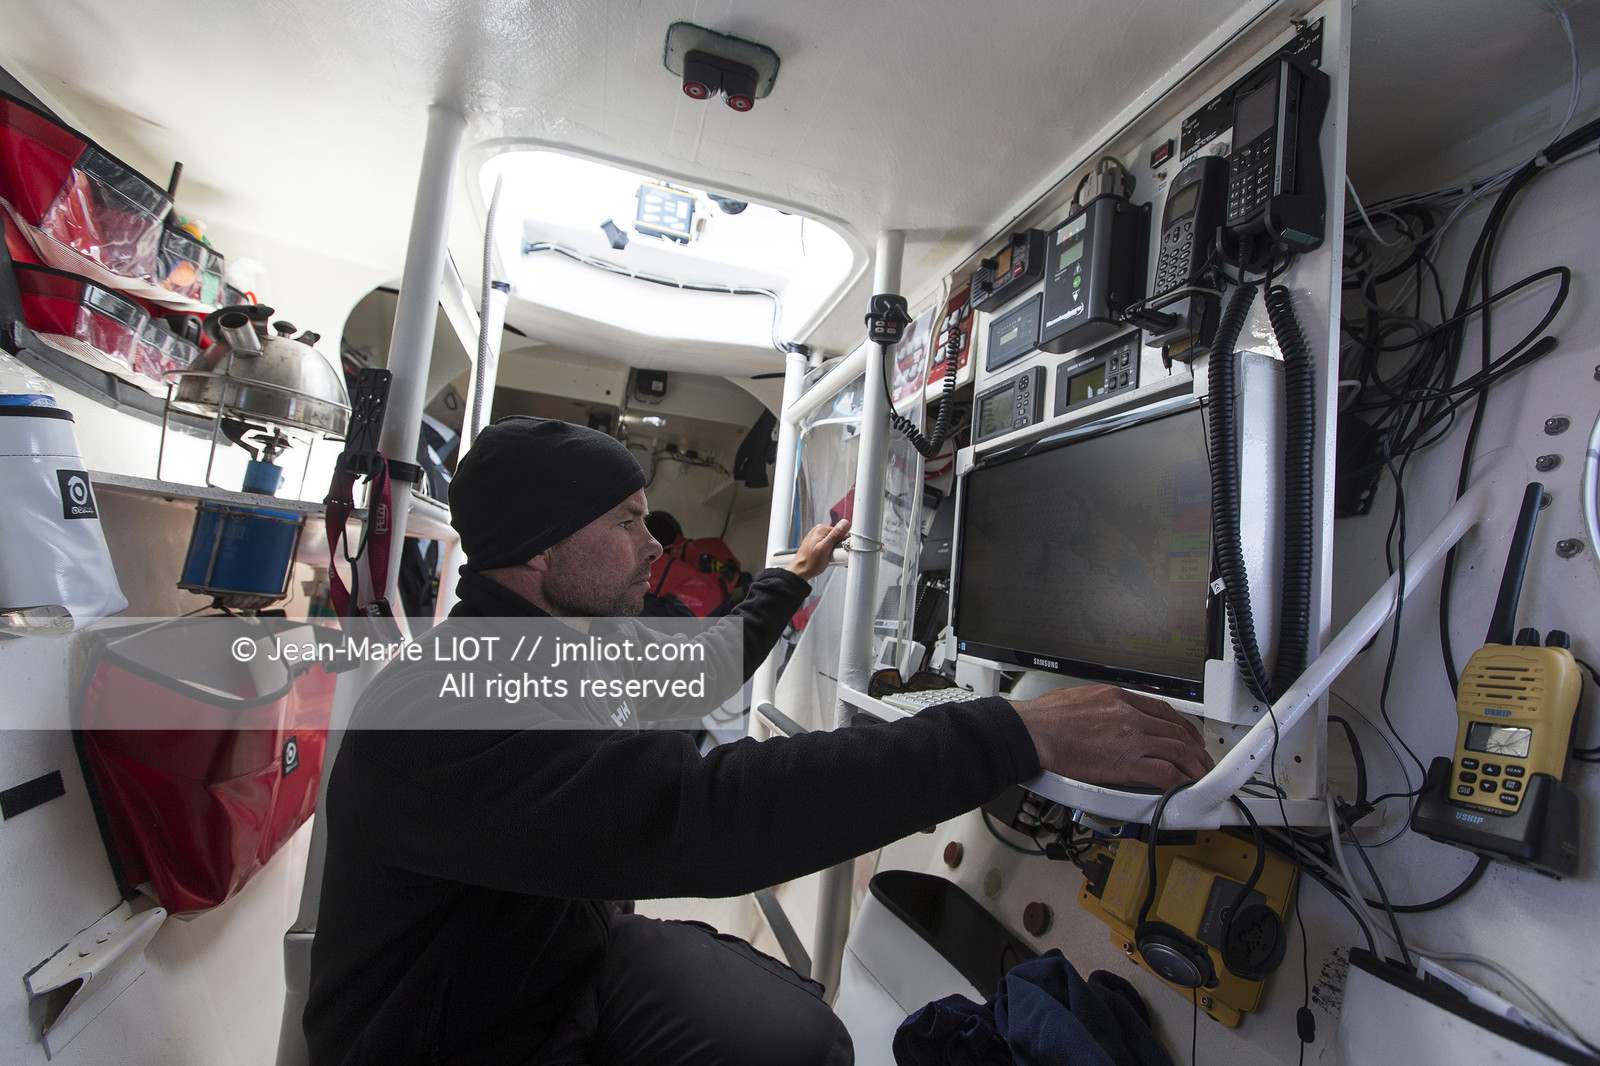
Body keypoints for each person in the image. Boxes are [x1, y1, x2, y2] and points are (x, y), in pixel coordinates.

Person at [304, 416, 1214, 1066]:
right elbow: (707, 814)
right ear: (537, 554)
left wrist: (788, 576)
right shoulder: (445, 706)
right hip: (458, 1040)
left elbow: (698, 671)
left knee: (801, 1032)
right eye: (623, 523)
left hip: (552, 969)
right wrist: (1011, 730)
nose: (647, 548)